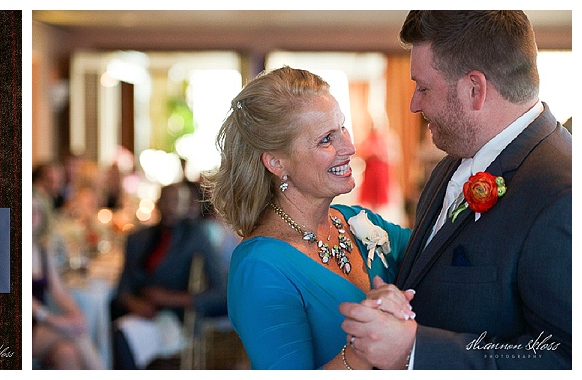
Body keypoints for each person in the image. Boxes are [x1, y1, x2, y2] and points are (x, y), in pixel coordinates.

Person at [339, 10, 571, 370]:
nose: (414, 103)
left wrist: (415, 351)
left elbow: (565, 359)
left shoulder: (563, 193)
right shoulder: (452, 162)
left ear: (474, 89)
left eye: (424, 87)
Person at [203, 65, 414, 370]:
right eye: (326, 139)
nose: (350, 147)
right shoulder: (261, 266)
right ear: (276, 162)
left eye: (343, 127)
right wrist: (363, 348)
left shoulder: (359, 222)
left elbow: (441, 254)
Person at [110, 181, 227, 369]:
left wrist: (169, 299)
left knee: (123, 338)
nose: (172, 207)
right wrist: (135, 303)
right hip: (140, 313)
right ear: (158, 203)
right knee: (117, 332)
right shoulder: (138, 239)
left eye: (177, 201)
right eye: (167, 200)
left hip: (176, 317)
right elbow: (123, 288)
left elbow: (221, 293)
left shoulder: (195, 236)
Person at [32, 197, 105, 370]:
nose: (32, 216)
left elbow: (59, 292)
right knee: (78, 335)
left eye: (36, 211)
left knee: (67, 352)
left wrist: (75, 313)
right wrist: (60, 322)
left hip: (40, 324)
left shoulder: (42, 249)